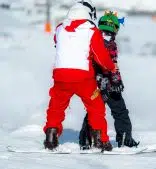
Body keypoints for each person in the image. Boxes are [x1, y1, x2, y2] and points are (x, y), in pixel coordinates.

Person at [43, 0, 116, 152]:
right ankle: (100, 141)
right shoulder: (91, 30)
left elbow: (57, 43)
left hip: (61, 76)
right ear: (89, 14)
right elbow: (100, 57)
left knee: (56, 106)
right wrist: (110, 67)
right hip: (83, 78)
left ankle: (51, 136)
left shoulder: (59, 28)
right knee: (96, 107)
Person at [79, 11, 139, 150]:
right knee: (120, 111)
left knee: (94, 112)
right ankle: (125, 139)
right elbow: (111, 65)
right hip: (105, 83)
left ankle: (86, 140)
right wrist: (116, 81)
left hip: (94, 82)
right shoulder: (110, 44)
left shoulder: (92, 40)